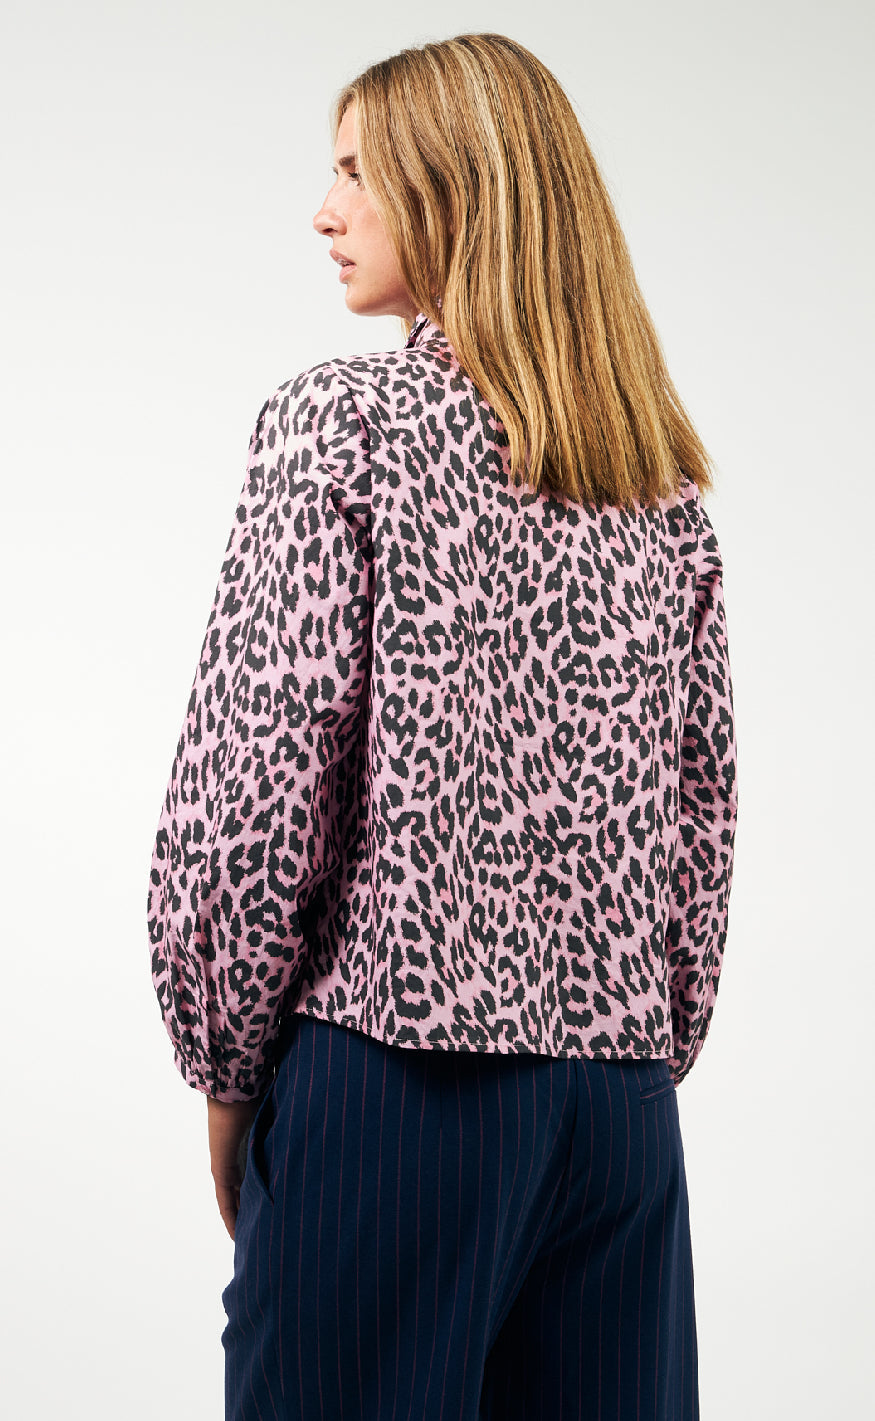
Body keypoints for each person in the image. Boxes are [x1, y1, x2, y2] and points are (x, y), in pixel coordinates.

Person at [146, 31, 738, 1421]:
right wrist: (635, 1045)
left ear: (455, 189)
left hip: (395, 1090)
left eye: (358, 171)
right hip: (619, 1119)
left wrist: (226, 1068)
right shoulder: (656, 484)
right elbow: (699, 821)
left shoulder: (340, 426)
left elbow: (258, 784)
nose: (325, 210)